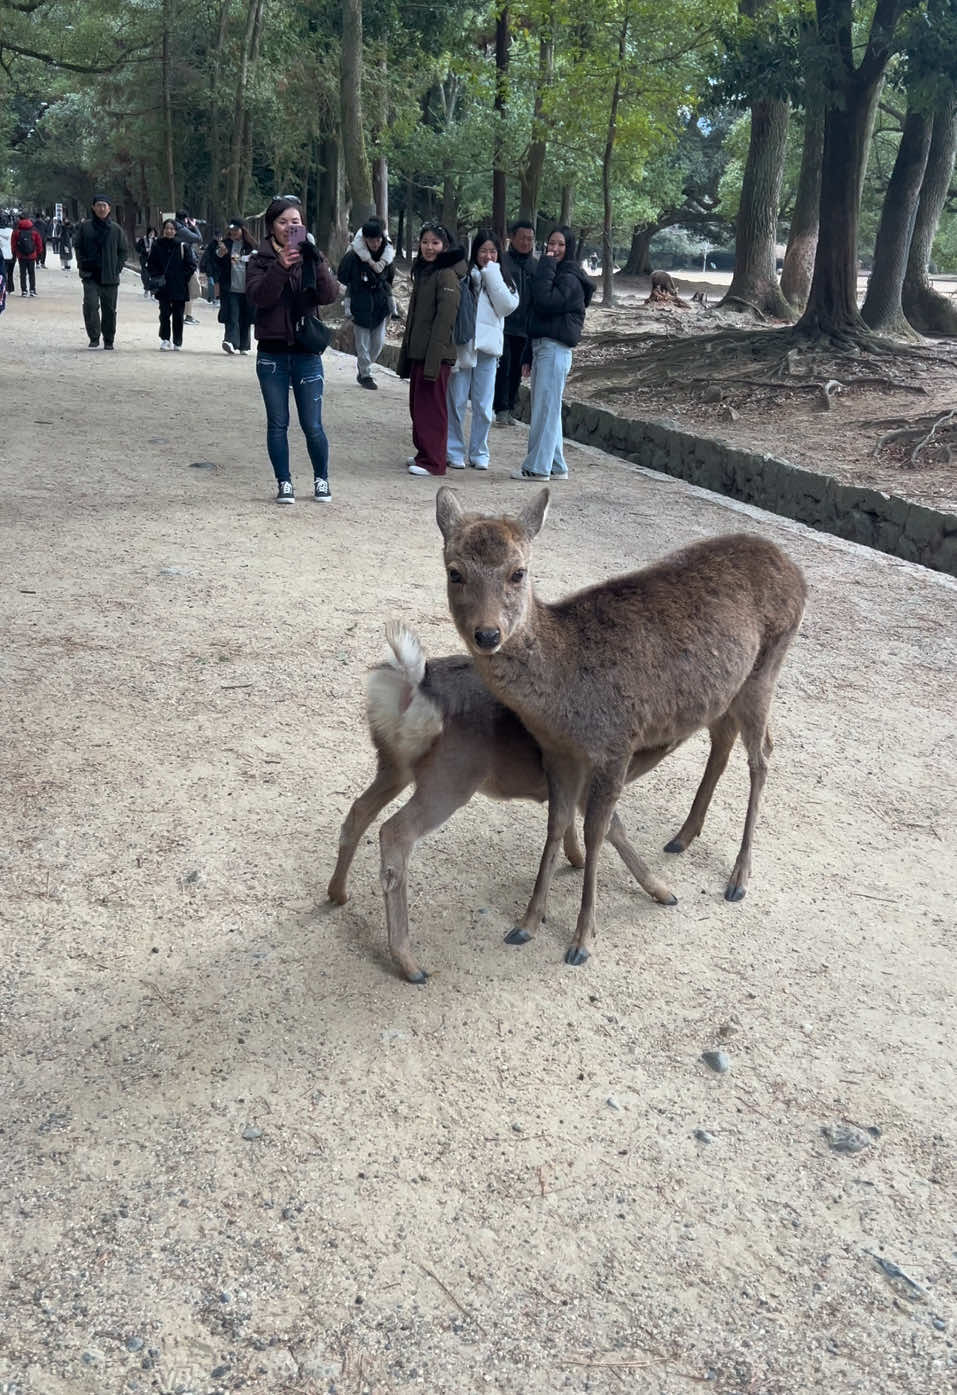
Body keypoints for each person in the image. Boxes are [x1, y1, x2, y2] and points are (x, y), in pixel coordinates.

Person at [245, 196, 339, 504]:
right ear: (271, 227)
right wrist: (280, 267)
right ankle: (284, 482)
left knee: (313, 424)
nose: (289, 227)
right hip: (272, 354)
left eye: (295, 222)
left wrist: (317, 259)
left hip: (306, 353)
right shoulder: (259, 260)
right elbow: (259, 298)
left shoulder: (311, 255)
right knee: (278, 422)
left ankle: (321, 479)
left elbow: (328, 295)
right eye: (283, 222)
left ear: (303, 226)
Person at [511, 224, 594, 481]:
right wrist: (527, 354)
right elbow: (535, 315)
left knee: (544, 411)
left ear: (569, 248)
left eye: (560, 245)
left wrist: (545, 266)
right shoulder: (557, 273)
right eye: (551, 244)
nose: (554, 249)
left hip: (555, 349)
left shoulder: (569, 277)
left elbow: (545, 301)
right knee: (549, 410)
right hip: (542, 348)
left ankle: (537, 467)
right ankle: (556, 465)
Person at [446, 229, 519, 471]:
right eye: (483, 251)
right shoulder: (464, 277)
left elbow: (507, 307)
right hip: (463, 346)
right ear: (474, 252)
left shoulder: (504, 280)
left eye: (492, 251)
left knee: (483, 406)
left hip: (488, 350)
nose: (488, 256)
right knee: (456, 401)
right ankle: (454, 450)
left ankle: (479, 452)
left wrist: (492, 275)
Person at [396, 221, 465, 477]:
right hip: (419, 352)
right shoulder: (425, 271)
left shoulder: (446, 274)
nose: (429, 247)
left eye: (435, 243)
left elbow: (445, 320)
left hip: (435, 355)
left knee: (432, 408)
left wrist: (433, 360)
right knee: (419, 406)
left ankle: (434, 461)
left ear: (444, 246)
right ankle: (424, 453)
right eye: (425, 242)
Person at [336, 215, 396, 389]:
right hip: (360, 303)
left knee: (378, 343)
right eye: (371, 240)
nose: (375, 244)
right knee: (362, 344)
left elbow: (389, 278)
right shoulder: (353, 256)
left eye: (378, 240)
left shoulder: (387, 256)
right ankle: (365, 374)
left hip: (380, 304)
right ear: (365, 239)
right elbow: (343, 275)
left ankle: (365, 367)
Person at [492, 220, 538, 426]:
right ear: (512, 238)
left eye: (530, 239)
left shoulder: (535, 266)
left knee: (518, 369)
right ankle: (501, 408)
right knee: (504, 368)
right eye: (522, 238)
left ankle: (510, 406)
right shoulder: (503, 262)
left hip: (525, 328)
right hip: (504, 325)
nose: (526, 242)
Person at [73, 195, 129, 349]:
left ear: (109, 208)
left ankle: (109, 339)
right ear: (93, 208)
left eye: (104, 205)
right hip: (90, 275)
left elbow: (124, 251)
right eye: (98, 205)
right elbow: (77, 246)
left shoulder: (116, 229)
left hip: (110, 277)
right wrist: (81, 264)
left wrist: (117, 268)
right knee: (90, 306)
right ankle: (94, 336)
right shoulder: (85, 227)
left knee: (109, 310)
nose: (101, 208)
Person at [147, 218, 197, 351]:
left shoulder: (182, 246)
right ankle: (165, 338)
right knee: (164, 313)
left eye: (171, 229)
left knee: (178, 315)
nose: (169, 231)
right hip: (163, 285)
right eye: (166, 228)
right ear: (163, 230)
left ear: (175, 231)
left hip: (179, 286)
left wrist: (182, 277)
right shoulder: (157, 245)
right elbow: (151, 264)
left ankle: (177, 340)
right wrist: (156, 276)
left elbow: (191, 265)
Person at [214, 219, 256, 355]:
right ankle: (230, 342)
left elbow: (258, 262)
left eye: (236, 230)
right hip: (230, 287)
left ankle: (244, 345)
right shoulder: (225, 245)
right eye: (231, 230)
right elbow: (216, 260)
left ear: (243, 230)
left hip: (247, 288)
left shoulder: (251, 246)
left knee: (245, 317)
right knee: (232, 315)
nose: (233, 233)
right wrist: (221, 254)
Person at [174, 209, 203, 324]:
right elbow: (198, 238)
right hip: (187, 265)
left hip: (179, 264)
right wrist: (195, 227)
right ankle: (187, 316)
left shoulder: (175, 227)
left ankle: (184, 315)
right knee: (192, 290)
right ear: (185, 219)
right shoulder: (181, 229)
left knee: (185, 290)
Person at [13, 216, 43, 297]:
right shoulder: (34, 231)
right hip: (32, 256)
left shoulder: (17, 232)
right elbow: (39, 243)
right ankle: (32, 290)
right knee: (31, 273)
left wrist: (15, 253)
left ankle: (24, 291)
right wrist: (39, 253)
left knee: (22, 274)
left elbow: (13, 244)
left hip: (21, 256)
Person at [135, 226, 157, 296]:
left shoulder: (156, 241)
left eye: (153, 232)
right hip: (144, 260)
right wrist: (144, 250)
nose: (152, 234)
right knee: (145, 275)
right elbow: (137, 248)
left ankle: (153, 291)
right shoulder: (143, 240)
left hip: (154, 261)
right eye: (151, 232)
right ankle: (146, 289)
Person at [0, 219, 14, 291]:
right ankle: (10, 288)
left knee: (2, 273)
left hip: (2, 255)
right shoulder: (11, 231)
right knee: (10, 273)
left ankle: (3, 287)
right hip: (11, 254)